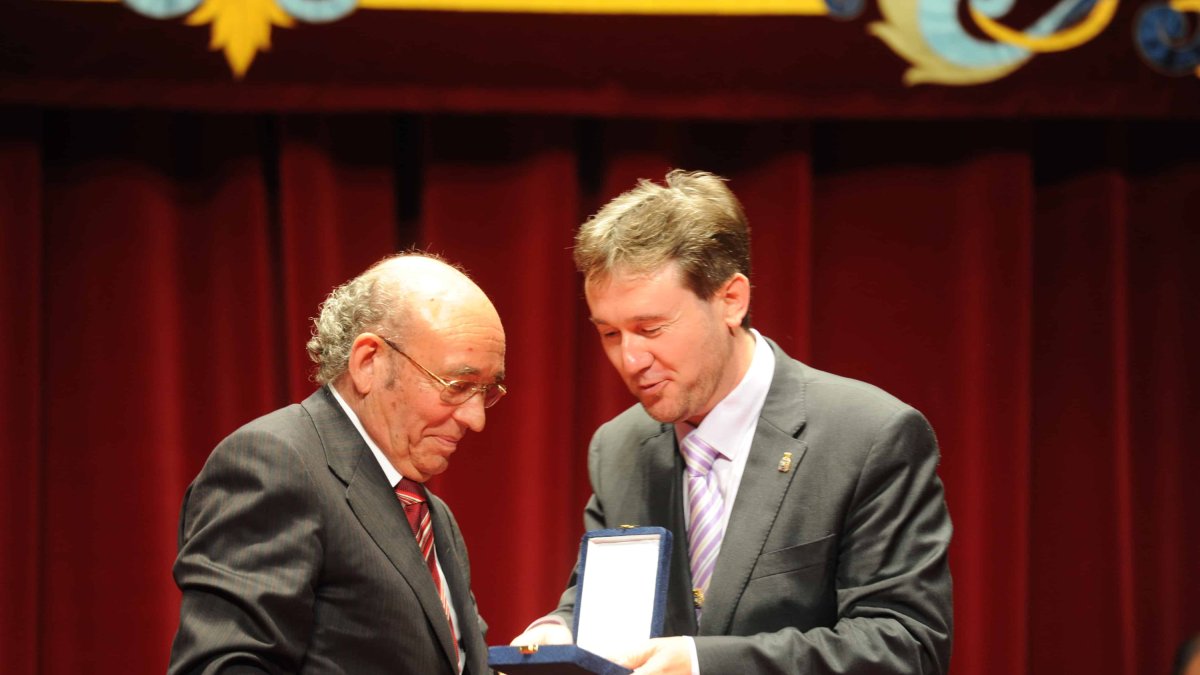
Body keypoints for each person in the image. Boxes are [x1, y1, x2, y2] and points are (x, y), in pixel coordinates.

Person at [512, 170, 953, 674]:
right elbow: (607, 610)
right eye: (610, 334)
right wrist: (560, 631)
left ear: (731, 300)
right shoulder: (618, 446)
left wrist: (704, 665)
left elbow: (904, 645)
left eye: (650, 328)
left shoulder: (869, 436)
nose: (630, 360)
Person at [169, 253, 506, 674]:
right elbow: (225, 666)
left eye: (487, 390)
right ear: (369, 362)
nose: (476, 419)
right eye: (457, 385)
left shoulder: (432, 514)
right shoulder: (274, 463)